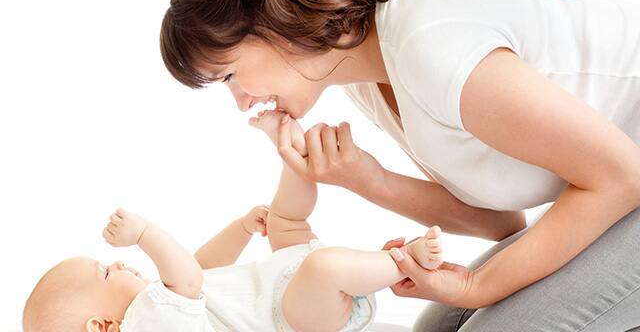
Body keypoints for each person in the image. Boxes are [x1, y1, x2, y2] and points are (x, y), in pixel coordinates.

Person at [159, 0, 640, 330]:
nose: (242, 100)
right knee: (435, 328)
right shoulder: (368, 77)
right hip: (623, 188)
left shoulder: (423, 40)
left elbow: (621, 176)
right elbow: (500, 222)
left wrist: (479, 287)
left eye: (229, 75)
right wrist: (367, 178)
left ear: (272, 24)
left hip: (627, 182)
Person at [22, 110, 445, 332]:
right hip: (297, 320)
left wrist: (241, 228)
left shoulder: (165, 305)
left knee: (285, 220)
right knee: (323, 266)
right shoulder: (147, 324)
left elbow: (200, 269)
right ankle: (403, 261)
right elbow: (187, 279)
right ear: (101, 326)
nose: (116, 264)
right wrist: (144, 234)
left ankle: (293, 154)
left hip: (286, 294)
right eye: (104, 271)